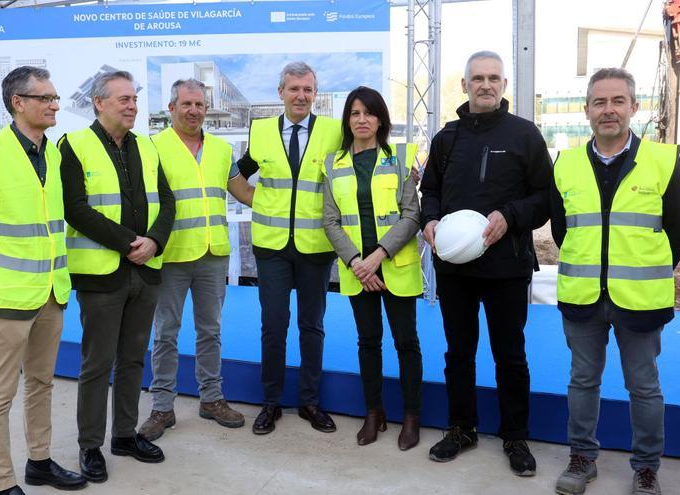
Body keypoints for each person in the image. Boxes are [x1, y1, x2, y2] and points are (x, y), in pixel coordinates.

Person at [550, 67, 680, 495]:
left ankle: (646, 468)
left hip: (641, 298)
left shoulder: (664, 160)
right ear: (587, 110)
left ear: (634, 107)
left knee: (644, 386)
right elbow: (562, 230)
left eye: (617, 101)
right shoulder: (566, 164)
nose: (607, 110)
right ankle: (581, 458)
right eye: (599, 102)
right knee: (582, 381)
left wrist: (642, 270)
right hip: (583, 295)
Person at [0, 66, 86, 495]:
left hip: (50, 294)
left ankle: (40, 463)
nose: (54, 105)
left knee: (42, 384)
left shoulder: (56, 154)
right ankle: (1, 483)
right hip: (5, 299)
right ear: (18, 103)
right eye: (44, 98)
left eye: (55, 97)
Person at [419, 50, 551, 475]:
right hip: (455, 268)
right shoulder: (446, 139)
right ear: (465, 85)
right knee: (459, 352)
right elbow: (431, 194)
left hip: (507, 268)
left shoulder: (525, 135)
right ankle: (462, 428)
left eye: (494, 78)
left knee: (510, 355)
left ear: (504, 86)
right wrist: (431, 220)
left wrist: (509, 216)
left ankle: (515, 436)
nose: (486, 85)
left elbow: (544, 200)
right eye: (478, 78)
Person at [58, 70, 175, 482]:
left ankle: (125, 434)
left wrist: (156, 242)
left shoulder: (146, 147)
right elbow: (75, 208)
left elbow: (167, 201)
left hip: (146, 271)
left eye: (134, 99)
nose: (132, 106)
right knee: (97, 363)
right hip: (102, 275)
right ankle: (90, 445)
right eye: (123, 99)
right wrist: (130, 242)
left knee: (132, 359)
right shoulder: (73, 145)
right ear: (99, 102)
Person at [138, 78, 254, 439]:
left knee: (210, 330)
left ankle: (211, 398)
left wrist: (292, 200)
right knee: (166, 333)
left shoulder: (221, 150)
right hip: (170, 255)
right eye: (186, 104)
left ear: (207, 109)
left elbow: (243, 192)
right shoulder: (151, 148)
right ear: (171, 108)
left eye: (199, 105)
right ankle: (161, 407)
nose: (193, 111)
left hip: (212, 253)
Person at [236, 61, 342, 435]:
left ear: (315, 94)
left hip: (315, 247)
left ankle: (310, 402)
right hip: (272, 248)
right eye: (294, 89)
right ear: (280, 92)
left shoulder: (333, 132)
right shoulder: (262, 131)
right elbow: (237, 174)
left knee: (312, 326)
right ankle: (271, 402)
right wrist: (259, 202)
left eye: (308, 90)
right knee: (274, 325)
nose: (301, 96)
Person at [322, 86, 423, 450]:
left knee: (406, 343)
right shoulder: (333, 163)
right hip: (357, 271)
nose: (361, 119)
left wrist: (377, 257)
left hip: (393, 265)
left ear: (381, 118)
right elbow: (330, 220)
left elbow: (412, 213)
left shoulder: (399, 157)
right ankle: (373, 413)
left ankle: (411, 416)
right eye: (354, 113)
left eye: (369, 112)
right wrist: (356, 263)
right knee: (368, 343)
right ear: (347, 120)